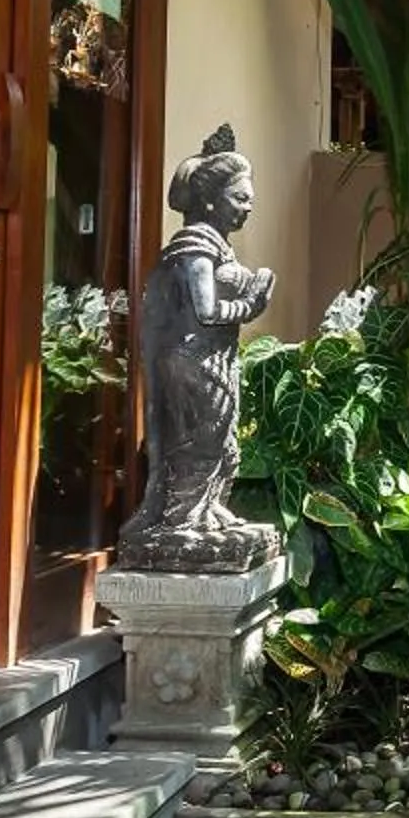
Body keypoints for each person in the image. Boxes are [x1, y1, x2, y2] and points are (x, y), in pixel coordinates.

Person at [117, 123, 282, 571]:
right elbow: (207, 310)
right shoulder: (194, 248)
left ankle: (207, 509)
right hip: (192, 363)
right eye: (240, 199)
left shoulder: (218, 247)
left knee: (223, 443)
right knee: (198, 442)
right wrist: (251, 303)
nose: (248, 208)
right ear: (211, 200)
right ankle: (181, 518)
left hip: (215, 359)